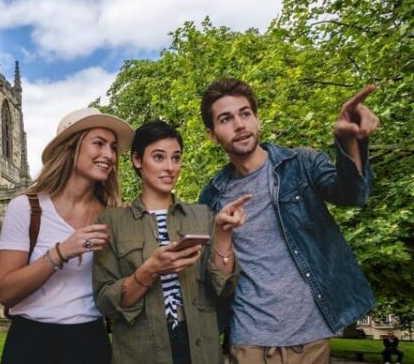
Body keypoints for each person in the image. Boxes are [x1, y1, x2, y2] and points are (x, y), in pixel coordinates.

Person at [198, 78, 379, 363]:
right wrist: (221, 234)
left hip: (309, 338)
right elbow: (217, 281)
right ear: (212, 134)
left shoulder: (301, 164)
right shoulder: (212, 196)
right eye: (226, 119)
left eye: (245, 114)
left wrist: (349, 142)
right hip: (248, 341)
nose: (240, 124)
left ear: (257, 119)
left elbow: (352, 194)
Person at [94, 120, 250, 364]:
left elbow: (225, 287)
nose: (170, 167)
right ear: (137, 160)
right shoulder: (112, 221)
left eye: (175, 158)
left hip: (201, 349)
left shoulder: (202, 215)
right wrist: (148, 271)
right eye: (159, 157)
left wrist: (223, 235)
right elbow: (105, 302)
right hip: (142, 351)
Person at [0, 107, 134, 364]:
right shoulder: (27, 208)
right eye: (99, 143)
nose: (109, 155)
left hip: (89, 341)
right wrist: (61, 252)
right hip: (30, 342)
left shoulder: (114, 215)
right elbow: (5, 291)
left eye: (113, 147)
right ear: (71, 148)